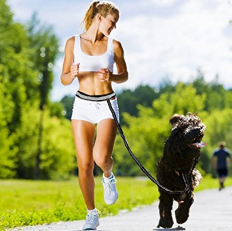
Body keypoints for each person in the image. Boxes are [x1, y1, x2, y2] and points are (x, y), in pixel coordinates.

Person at [61, 1, 128, 230]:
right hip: (81, 106)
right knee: (85, 163)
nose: (114, 27)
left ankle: (108, 175)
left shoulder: (114, 45)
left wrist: (112, 77)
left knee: (101, 158)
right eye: (112, 22)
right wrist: (70, 75)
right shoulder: (73, 43)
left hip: (106, 105)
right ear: (100, 17)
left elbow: (125, 75)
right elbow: (63, 78)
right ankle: (91, 213)